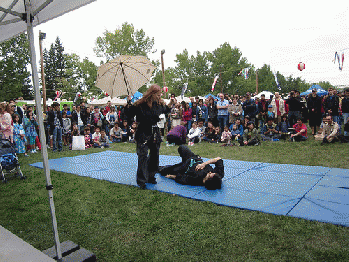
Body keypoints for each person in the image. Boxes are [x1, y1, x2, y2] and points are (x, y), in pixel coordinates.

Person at [126, 84, 170, 189]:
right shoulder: (140, 104)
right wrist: (129, 103)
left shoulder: (158, 104)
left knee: (155, 155)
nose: (159, 97)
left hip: (154, 132)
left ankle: (151, 176)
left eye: (160, 95)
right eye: (158, 95)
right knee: (143, 155)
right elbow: (129, 114)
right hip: (143, 132)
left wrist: (169, 105)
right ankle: (141, 180)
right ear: (152, 94)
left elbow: (165, 111)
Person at [159, 145, 224, 190]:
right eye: (211, 173)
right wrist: (204, 164)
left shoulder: (197, 179)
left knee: (163, 171)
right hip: (193, 158)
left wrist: (171, 176)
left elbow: (183, 179)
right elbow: (218, 159)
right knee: (182, 147)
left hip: (184, 167)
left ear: (206, 180)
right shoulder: (219, 174)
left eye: (209, 175)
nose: (210, 172)